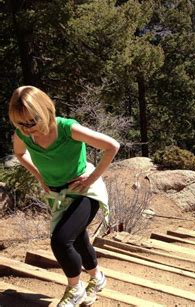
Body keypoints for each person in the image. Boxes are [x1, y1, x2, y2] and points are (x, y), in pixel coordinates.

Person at [9, 86, 120, 307]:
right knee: (77, 238)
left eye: (32, 122)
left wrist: (90, 179)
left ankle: (75, 288)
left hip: (84, 190)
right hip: (59, 193)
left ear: (45, 110)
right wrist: (40, 177)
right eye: (21, 123)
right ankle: (97, 278)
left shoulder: (68, 129)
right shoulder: (23, 134)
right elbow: (20, 154)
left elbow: (112, 146)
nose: (28, 129)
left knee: (61, 240)